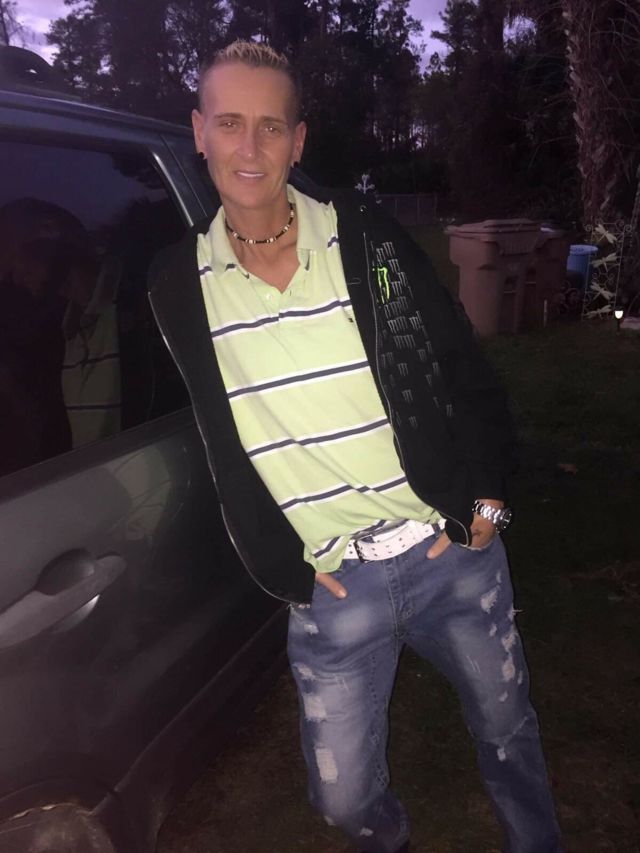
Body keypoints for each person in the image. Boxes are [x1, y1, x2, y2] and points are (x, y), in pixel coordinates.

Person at [148, 40, 562, 853]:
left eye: (271, 126)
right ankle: (390, 837)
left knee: (507, 725)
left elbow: (460, 364)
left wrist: (486, 499)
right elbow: (218, 436)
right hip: (335, 584)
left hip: (450, 551)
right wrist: (281, 566)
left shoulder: (365, 237)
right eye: (229, 123)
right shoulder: (176, 283)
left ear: (298, 140)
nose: (250, 146)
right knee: (340, 797)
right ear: (198, 132)